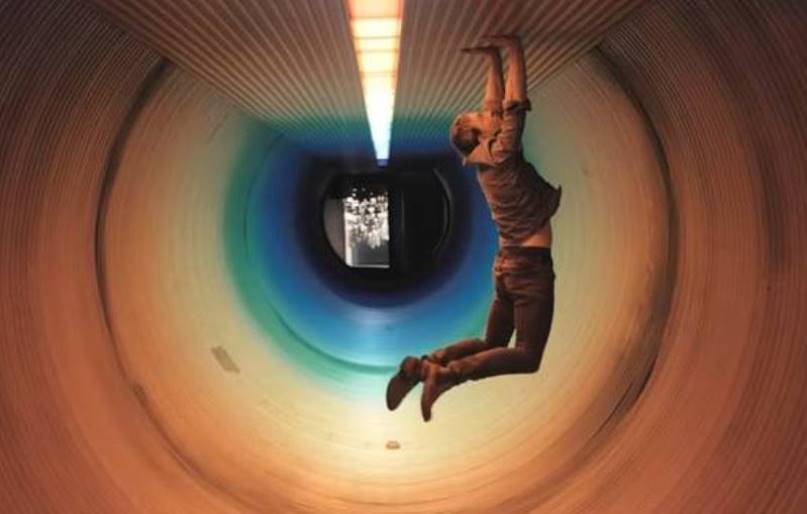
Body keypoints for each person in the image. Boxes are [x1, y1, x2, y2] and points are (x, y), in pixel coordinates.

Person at [385, 35, 561, 422]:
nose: (488, 114)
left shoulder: (487, 159)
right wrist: (514, 50)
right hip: (527, 269)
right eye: (482, 119)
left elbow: (495, 107)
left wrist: (492, 60)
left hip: (509, 266)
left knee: (491, 342)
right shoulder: (503, 154)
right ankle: (446, 375)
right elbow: (514, 106)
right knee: (526, 355)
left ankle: (426, 364)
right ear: (483, 137)